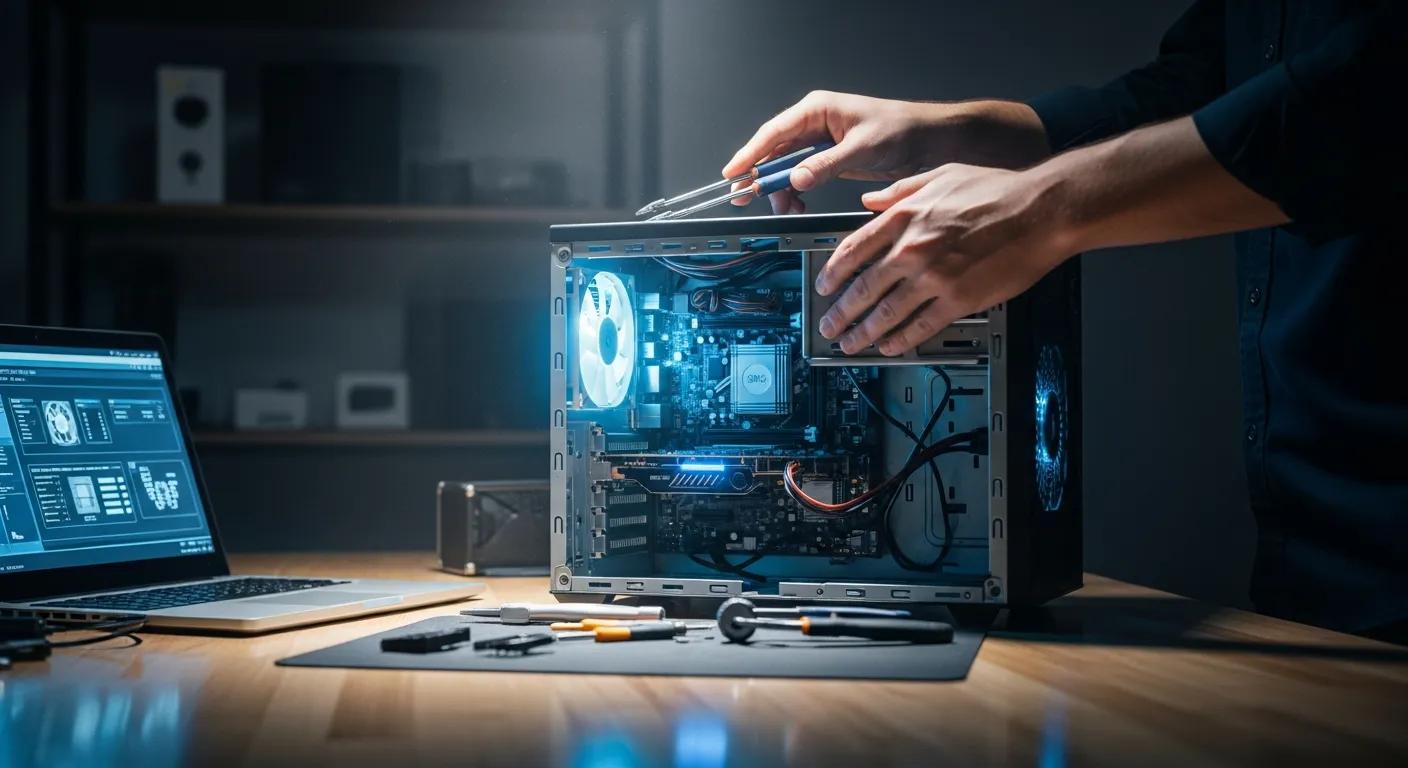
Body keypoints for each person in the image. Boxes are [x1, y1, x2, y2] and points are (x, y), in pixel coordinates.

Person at [722, 0, 1407, 642]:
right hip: (1314, 575)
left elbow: (1360, 98)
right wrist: (939, 133)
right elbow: (1191, 95)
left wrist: (1039, 212)